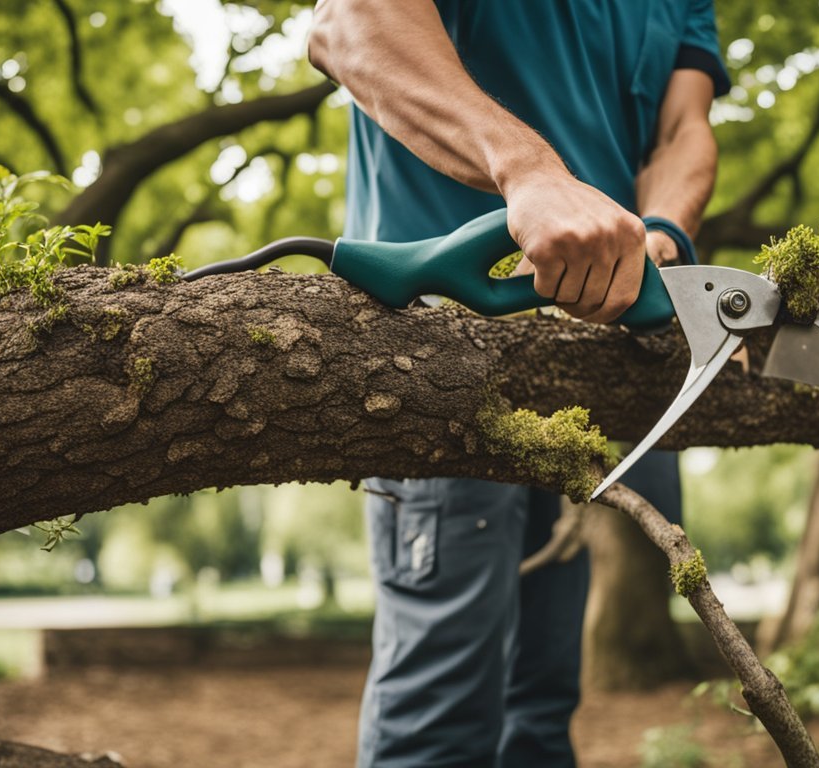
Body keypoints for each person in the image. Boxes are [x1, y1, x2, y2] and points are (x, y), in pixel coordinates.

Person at [307, 2, 729, 765]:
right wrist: (529, 172)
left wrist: (661, 232)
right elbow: (351, 22)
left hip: (580, 380)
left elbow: (682, 130)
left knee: (540, 710)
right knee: (440, 723)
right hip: (434, 360)